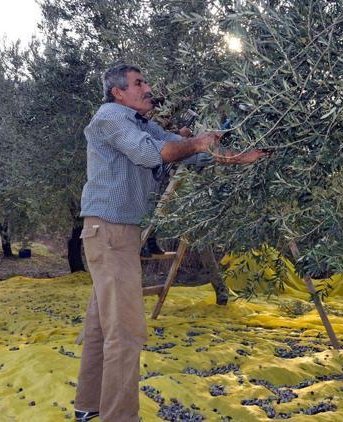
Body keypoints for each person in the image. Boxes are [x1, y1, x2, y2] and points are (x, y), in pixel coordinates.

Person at [74, 63, 266, 422]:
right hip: (110, 232)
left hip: (117, 233)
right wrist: (192, 141)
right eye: (138, 83)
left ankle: (89, 408)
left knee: (101, 326)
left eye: (145, 80)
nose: (147, 87)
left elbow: (189, 153)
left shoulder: (141, 124)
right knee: (126, 332)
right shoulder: (111, 118)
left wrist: (240, 156)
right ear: (118, 92)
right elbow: (152, 154)